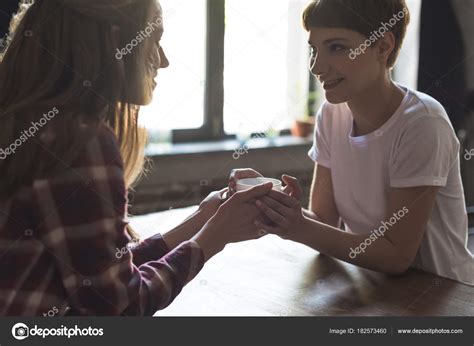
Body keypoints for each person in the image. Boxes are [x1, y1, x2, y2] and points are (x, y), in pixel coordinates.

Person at [0, 0, 273, 316]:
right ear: (117, 42)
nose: (165, 60)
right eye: (154, 39)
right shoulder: (78, 142)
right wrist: (215, 237)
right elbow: (120, 306)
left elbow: (100, 276)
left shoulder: (27, 126)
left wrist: (203, 221)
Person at [231, 0, 474, 286]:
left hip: (444, 297)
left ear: (383, 46)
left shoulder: (422, 123)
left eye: (336, 47)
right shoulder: (332, 115)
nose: (316, 66)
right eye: (314, 49)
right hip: (375, 289)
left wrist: (297, 227)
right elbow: (323, 221)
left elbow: (396, 256)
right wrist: (277, 205)